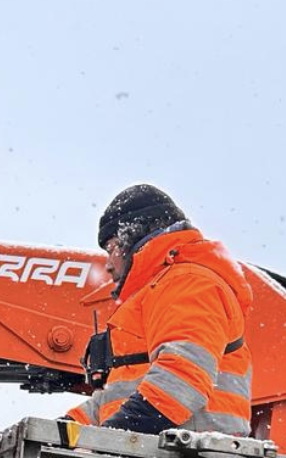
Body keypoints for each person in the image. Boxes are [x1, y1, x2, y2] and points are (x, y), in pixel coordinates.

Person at [69, 183, 254, 435]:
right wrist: (52, 435)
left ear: (131, 237)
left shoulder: (187, 282)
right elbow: (112, 401)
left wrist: (108, 440)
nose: (108, 265)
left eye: (111, 249)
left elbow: (181, 380)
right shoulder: (161, 289)